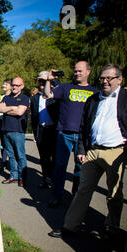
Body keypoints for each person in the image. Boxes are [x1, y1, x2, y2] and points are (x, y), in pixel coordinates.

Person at [48, 64, 127, 240]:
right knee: (83, 190)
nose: (105, 81)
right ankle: (70, 226)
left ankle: (112, 228)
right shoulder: (93, 99)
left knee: (114, 193)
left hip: (116, 151)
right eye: (102, 78)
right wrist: (82, 149)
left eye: (109, 78)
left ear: (119, 79)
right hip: (93, 151)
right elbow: (84, 126)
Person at [44, 61, 98, 207]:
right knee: (60, 166)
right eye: (75, 71)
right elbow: (48, 94)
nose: (77, 73)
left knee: (80, 169)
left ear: (88, 72)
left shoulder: (95, 92)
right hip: (64, 133)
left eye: (80, 71)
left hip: (83, 136)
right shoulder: (65, 87)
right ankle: (56, 195)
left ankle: (76, 198)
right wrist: (49, 80)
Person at [0, 77, 29, 187]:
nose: (14, 87)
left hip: (17, 131)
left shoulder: (24, 98)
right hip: (6, 129)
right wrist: (13, 108)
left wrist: (7, 109)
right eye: (13, 85)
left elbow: (20, 112)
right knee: (11, 155)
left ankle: (22, 177)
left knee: (20, 155)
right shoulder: (6, 97)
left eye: (17, 85)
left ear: (22, 86)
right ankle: (13, 176)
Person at [30, 71, 59, 189]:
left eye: (44, 81)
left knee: (55, 157)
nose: (41, 83)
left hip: (54, 130)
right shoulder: (35, 98)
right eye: (40, 81)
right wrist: (35, 133)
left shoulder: (55, 96)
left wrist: (51, 79)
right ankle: (46, 179)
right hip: (41, 130)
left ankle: (55, 180)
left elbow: (59, 86)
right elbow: (33, 118)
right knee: (44, 158)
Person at [0, 79, 12, 170]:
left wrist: (4, 109)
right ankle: (4, 161)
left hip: (11, 120)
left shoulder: (14, 97)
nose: (4, 85)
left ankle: (12, 162)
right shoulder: (0, 97)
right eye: (4, 84)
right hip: (1, 120)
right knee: (4, 142)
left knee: (11, 142)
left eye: (6, 84)